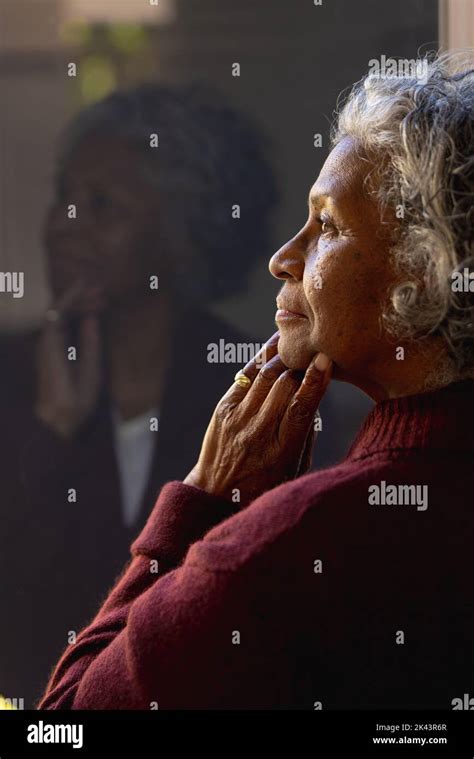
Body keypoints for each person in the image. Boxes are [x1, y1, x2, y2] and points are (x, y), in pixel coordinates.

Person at [39, 52, 473, 710]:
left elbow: (64, 720)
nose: (284, 257)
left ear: (423, 273)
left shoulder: (279, 547)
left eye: (325, 225)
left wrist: (204, 504)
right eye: (63, 198)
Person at [0, 83, 278, 708]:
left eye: (102, 206)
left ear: (179, 236)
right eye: (62, 198)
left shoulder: (246, 384)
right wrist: (52, 432)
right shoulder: (11, 375)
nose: (64, 226)